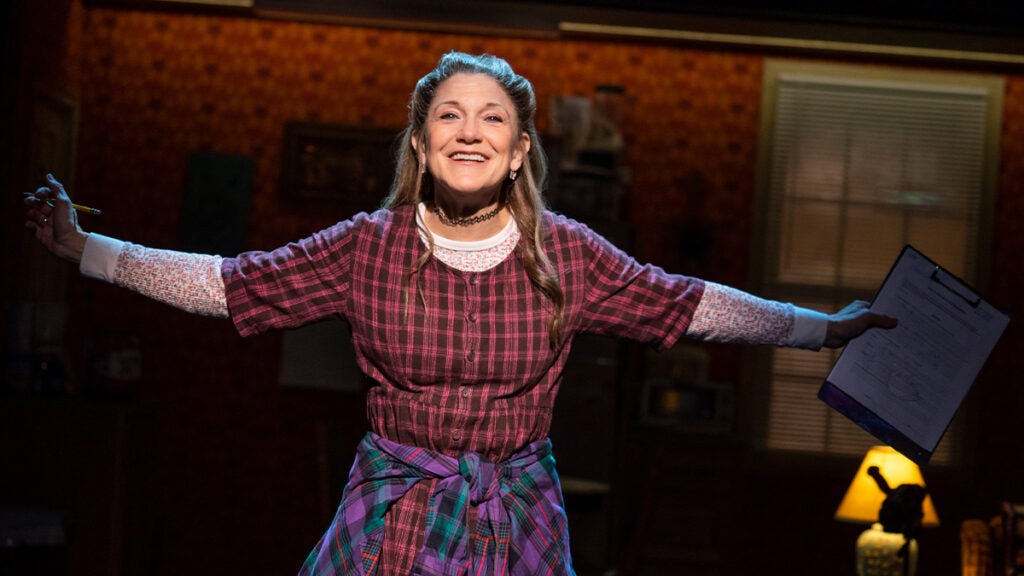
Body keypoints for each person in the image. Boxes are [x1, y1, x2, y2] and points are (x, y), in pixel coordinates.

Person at [24, 51, 895, 575]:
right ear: (421, 142)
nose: (469, 131)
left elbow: (691, 305)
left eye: (492, 120)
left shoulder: (569, 254)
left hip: (519, 513)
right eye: (449, 115)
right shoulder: (364, 246)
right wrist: (86, 250)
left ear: (518, 152)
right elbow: (229, 284)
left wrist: (822, 327)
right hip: (394, 511)